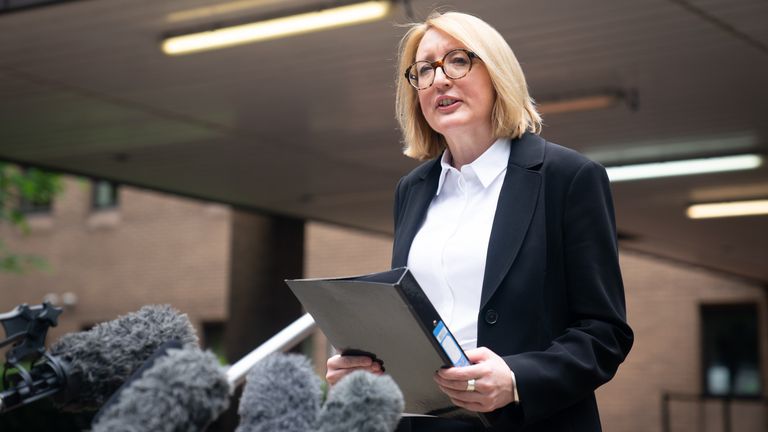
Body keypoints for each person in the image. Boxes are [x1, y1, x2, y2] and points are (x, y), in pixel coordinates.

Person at [326, 11, 633, 432]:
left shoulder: (568, 178)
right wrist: (365, 368)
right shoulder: (412, 190)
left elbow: (605, 333)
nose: (439, 80)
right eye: (424, 69)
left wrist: (515, 379)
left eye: (457, 61)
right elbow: (412, 321)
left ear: (497, 73)